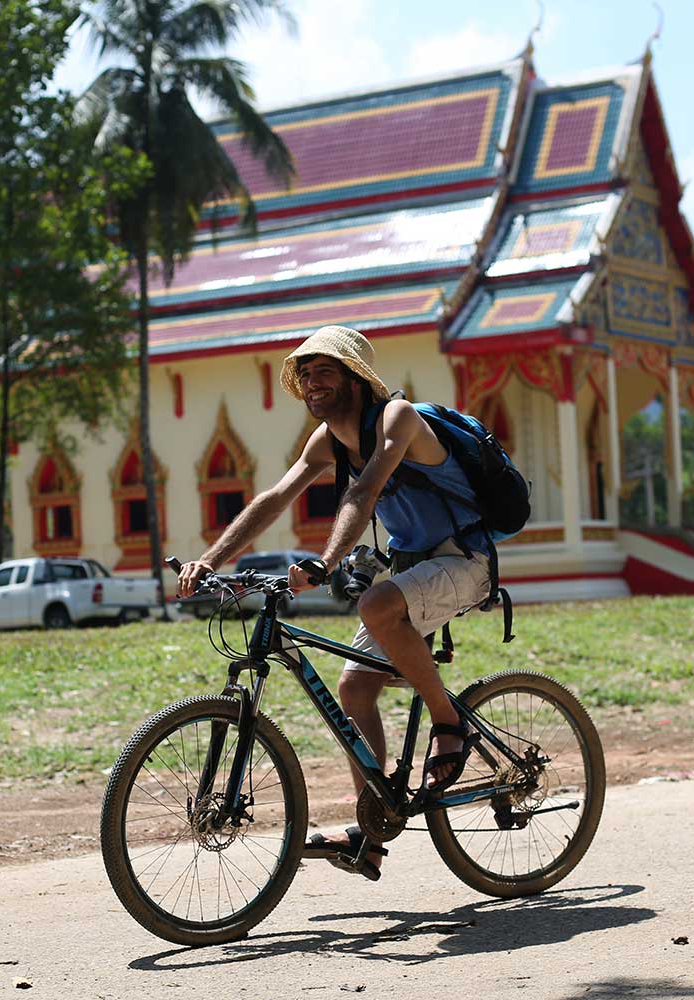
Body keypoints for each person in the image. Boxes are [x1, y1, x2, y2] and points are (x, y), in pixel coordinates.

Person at [177, 325, 492, 880]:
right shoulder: (326, 439)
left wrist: (324, 561)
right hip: (414, 567)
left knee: (376, 605)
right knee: (353, 686)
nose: (312, 382)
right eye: (305, 373)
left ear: (356, 378)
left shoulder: (397, 419)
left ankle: (450, 723)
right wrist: (211, 558)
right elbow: (275, 498)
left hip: (464, 558)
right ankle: (372, 830)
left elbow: (364, 490)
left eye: (325, 370)